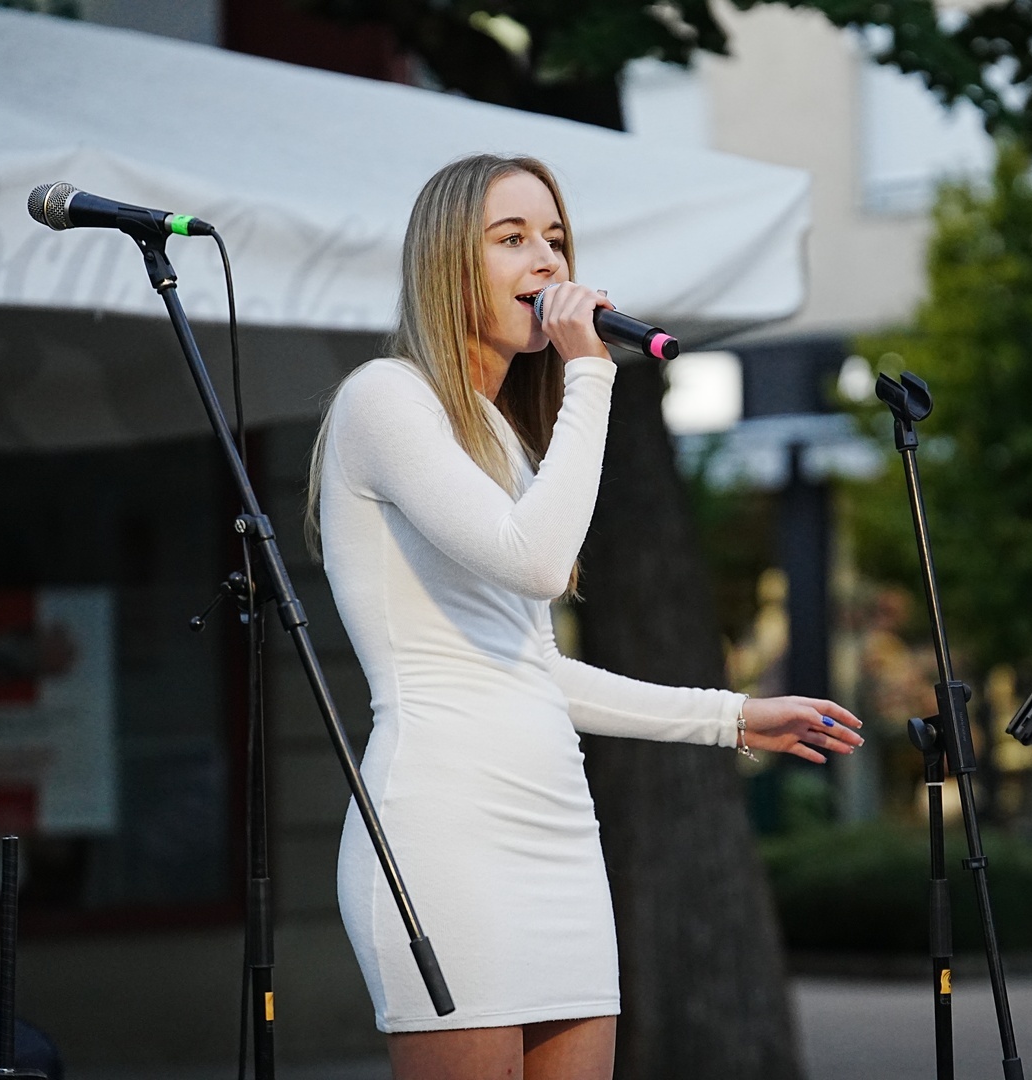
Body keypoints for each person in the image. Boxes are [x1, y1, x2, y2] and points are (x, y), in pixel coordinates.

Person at [304, 153, 864, 1080]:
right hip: (446, 829)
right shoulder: (385, 398)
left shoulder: (498, 437)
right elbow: (534, 561)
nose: (547, 261)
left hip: (558, 830)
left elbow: (533, 670)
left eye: (556, 239)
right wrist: (591, 376)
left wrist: (730, 717)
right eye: (512, 238)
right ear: (447, 261)